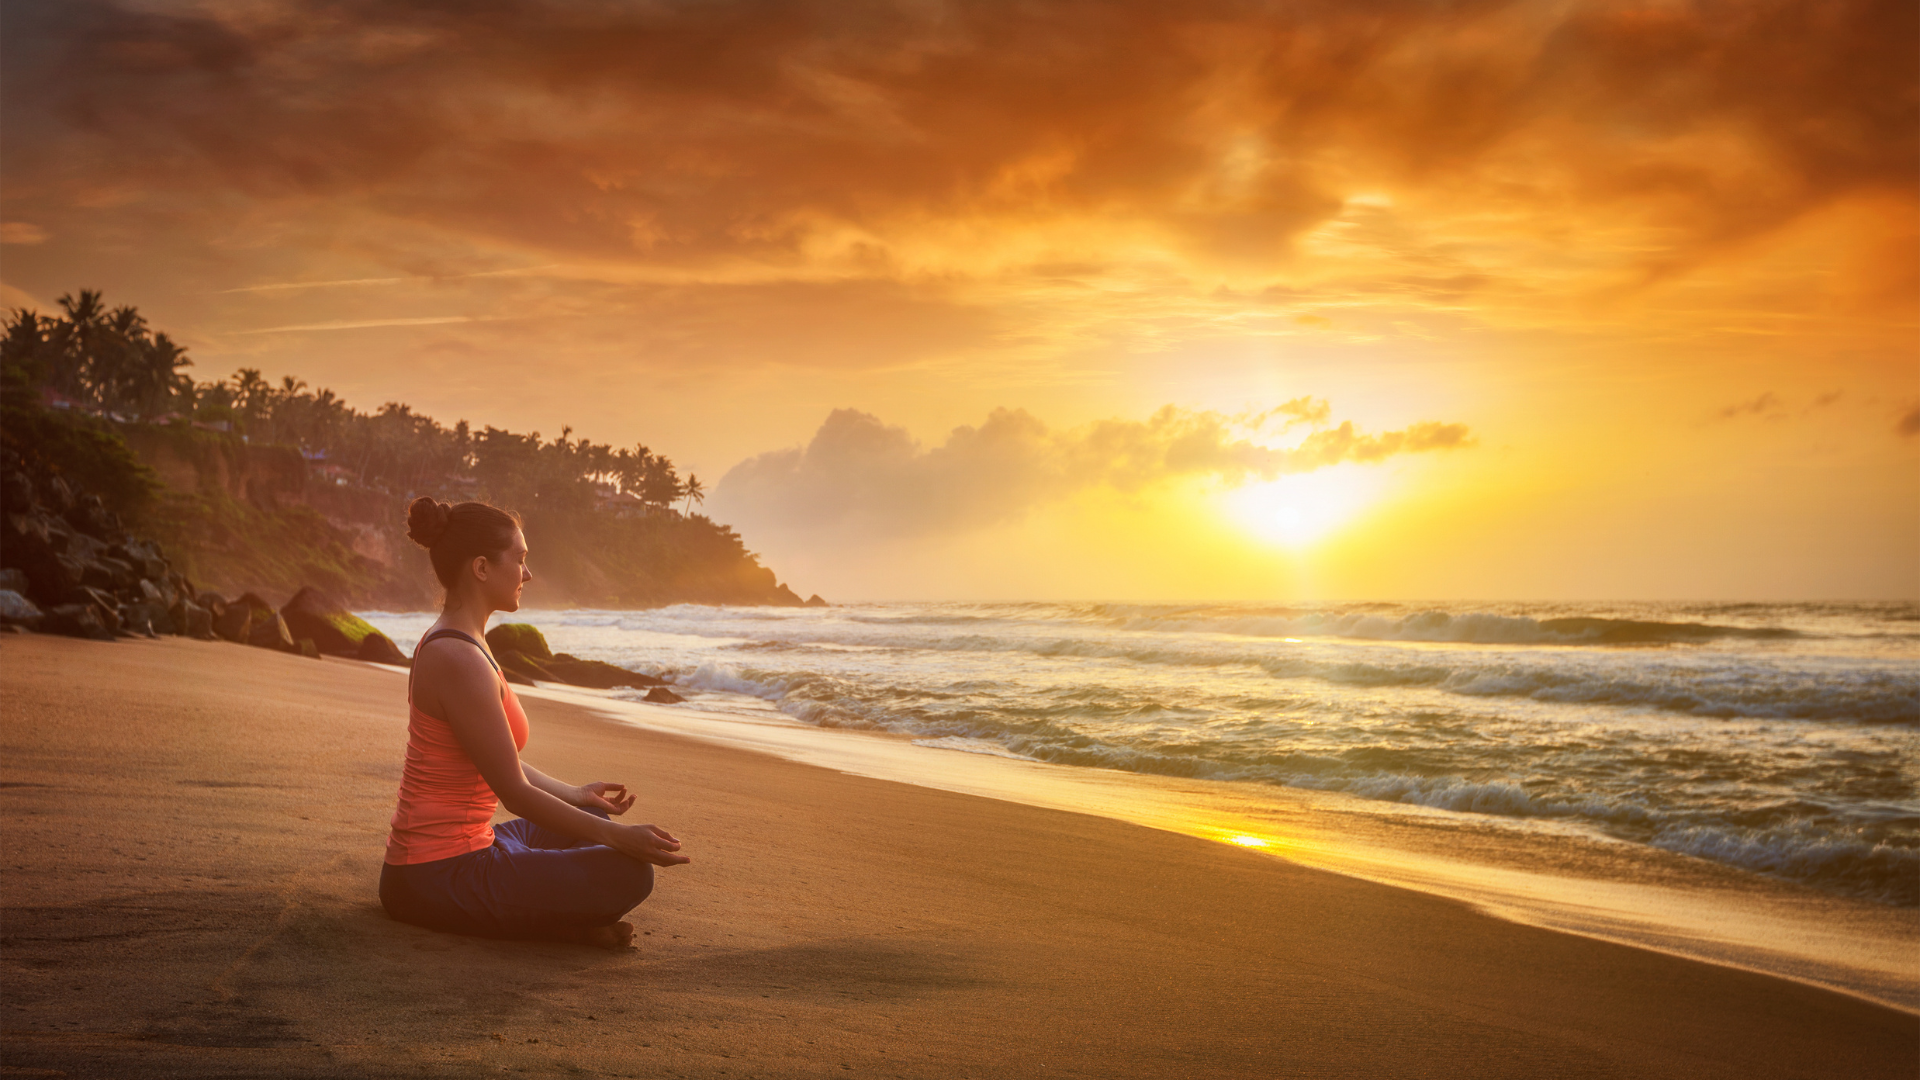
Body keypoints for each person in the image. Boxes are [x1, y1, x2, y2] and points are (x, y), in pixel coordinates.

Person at [378, 497, 688, 949]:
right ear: (481, 568)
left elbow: (504, 762)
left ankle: (548, 915)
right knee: (629, 872)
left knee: (588, 812)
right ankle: (558, 926)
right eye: (520, 559)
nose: (527, 573)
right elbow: (514, 793)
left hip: (474, 846)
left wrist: (577, 794)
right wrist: (620, 838)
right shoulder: (458, 658)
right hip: (434, 874)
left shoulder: (468, 642)